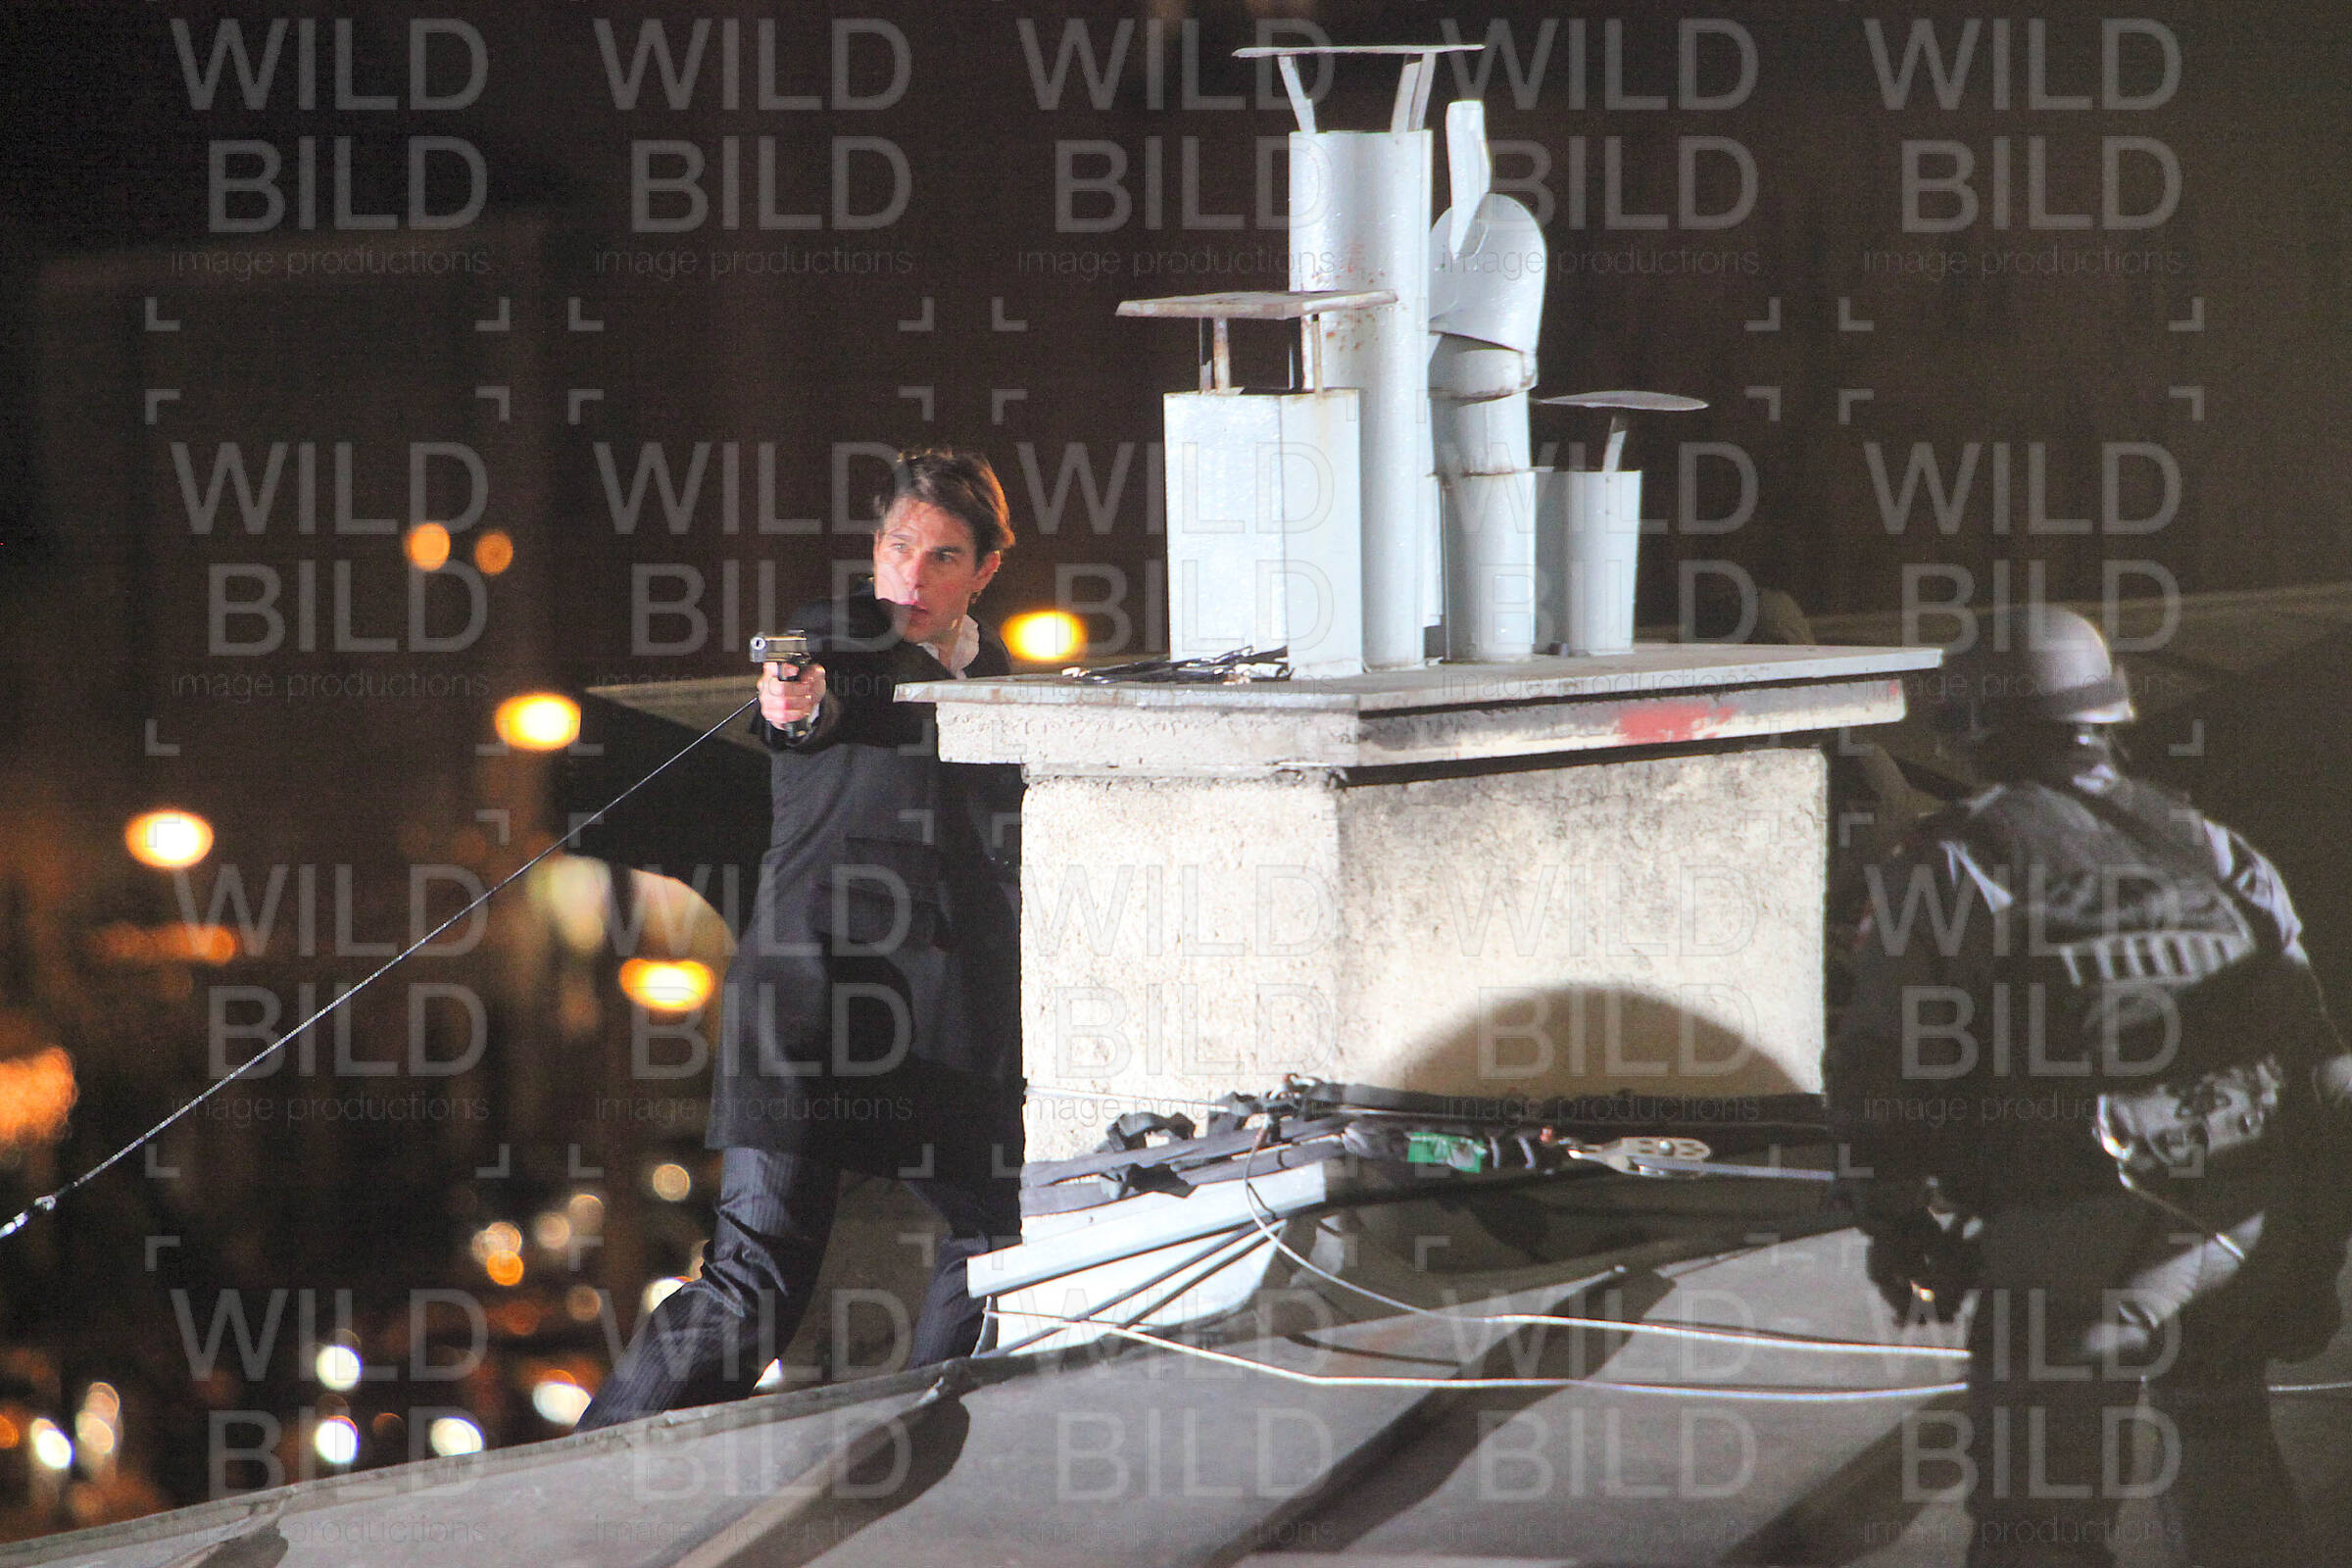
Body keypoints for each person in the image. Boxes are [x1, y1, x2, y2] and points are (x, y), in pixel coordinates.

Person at [1825, 604, 2352, 1567]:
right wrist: (2311, 1251)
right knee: (2228, 1464)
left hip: (2079, 1234)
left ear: (1972, 729)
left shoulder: (1953, 865)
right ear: (2107, 715)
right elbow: (2323, 1067)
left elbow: (1880, 1070)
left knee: (2044, 1519)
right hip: (2244, 1221)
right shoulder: (2210, 847)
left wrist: (1895, 1220)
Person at [580, 448, 1025, 1429]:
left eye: (943, 557)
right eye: (898, 547)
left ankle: (927, 1438)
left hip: (933, 1025)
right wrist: (797, 702)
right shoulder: (840, 635)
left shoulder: (1003, 680)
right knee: (753, 1290)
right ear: (874, 547)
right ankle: (593, 1470)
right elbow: (813, 699)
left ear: (985, 570)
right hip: (811, 1003)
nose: (911, 577)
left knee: (998, 1241)